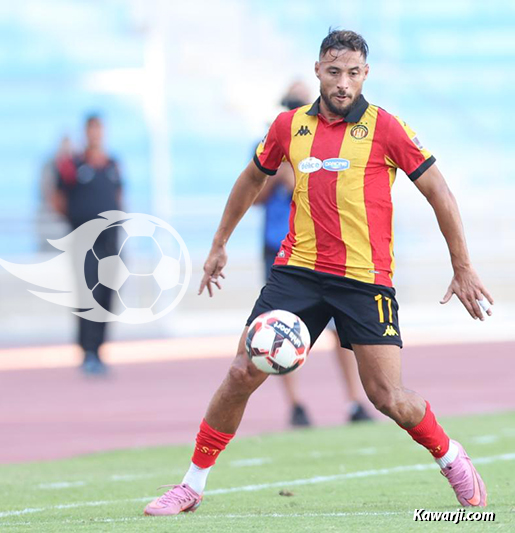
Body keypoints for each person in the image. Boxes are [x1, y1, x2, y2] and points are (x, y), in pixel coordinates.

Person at [144, 30, 493, 516]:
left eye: (353, 73)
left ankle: (451, 457)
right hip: (298, 273)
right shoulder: (288, 127)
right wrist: (220, 243)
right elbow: (251, 178)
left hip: (364, 279)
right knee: (242, 370)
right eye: (334, 72)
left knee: (387, 397)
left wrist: (462, 266)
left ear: (365, 74)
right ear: (317, 71)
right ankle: (191, 485)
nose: (343, 83)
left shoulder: (386, 128)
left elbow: (438, 190)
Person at [254, 81, 372, 427]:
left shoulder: (321, 143)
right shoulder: (271, 141)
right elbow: (255, 196)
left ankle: (353, 400)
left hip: (321, 246)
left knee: (340, 328)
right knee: (277, 331)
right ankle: (296, 404)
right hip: (279, 247)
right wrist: (276, 176)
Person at [51, 114, 123, 375]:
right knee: (87, 292)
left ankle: (100, 347)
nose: (96, 134)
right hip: (84, 239)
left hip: (111, 238)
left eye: (99, 129)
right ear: (86, 132)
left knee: (108, 291)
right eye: (92, 129)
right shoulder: (74, 164)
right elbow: (56, 195)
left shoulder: (113, 163)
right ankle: (87, 350)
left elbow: (118, 196)